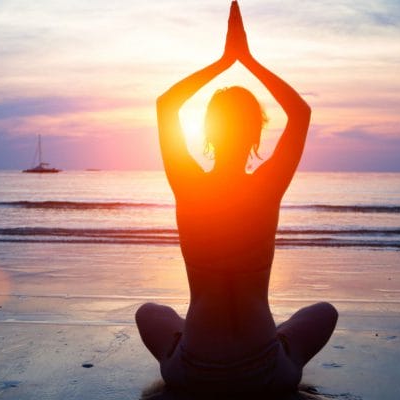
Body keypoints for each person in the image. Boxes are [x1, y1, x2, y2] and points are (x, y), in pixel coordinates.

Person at [135, 1, 338, 396]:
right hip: (263, 373)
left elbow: (166, 105)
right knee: (323, 313)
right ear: (256, 136)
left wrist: (224, 60)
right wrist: (248, 59)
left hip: (193, 371)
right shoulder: (267, 187)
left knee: (149, 314)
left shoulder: (188, 184)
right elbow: (300, 112)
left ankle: (182, 347)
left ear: (208, 133)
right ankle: (277, 344)